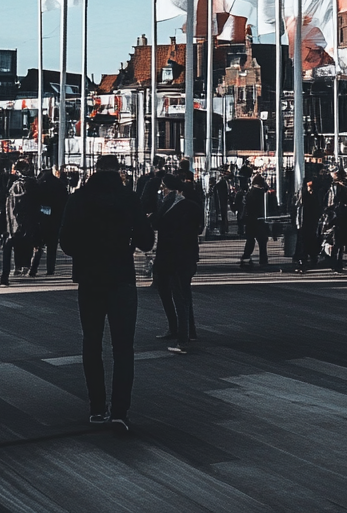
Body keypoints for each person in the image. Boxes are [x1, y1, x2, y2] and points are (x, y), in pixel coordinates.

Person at [59, 155, 154, 432]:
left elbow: (66, 241)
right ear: (118, 171)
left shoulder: (78, 198)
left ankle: (97, 407)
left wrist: (87, 250)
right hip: (121, 277)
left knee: (92, 342)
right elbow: (146, 241)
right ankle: (120, 411)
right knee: (123, 347)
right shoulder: (129, 198)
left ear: (95, 170)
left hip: (90, 278)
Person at [151, 174, 204, 354]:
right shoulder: (193, 206)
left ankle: (182, 336)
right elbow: (199, 228)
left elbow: (156, 223)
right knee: (184, 294)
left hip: (171, 257)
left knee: (176, 295)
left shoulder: (168, 207)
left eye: (164, 188)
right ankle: (188, 331)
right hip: (187, 255)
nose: (162, 191)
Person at [0, 161, 38, 286]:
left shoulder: (12, 185)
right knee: (28, 245)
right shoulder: (32, 185)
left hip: (12, 222)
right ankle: (26, 266)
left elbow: (9, 205)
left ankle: (5, 275)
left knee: (8, 247)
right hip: (26, 222)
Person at [30, 166, 68, 277]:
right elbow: (64, 201)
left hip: (40, 219)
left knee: (38, 245)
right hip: (55, 219)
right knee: (52, 246)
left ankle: (33, 268)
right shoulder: (59, 185)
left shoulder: (38, 185)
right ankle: (50, 269)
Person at [320, 169, 347, 273]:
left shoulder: (334, 187)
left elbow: (329, 202)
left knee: (334, 240)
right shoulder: (346, 187)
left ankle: (334, 260)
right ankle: (337, 261)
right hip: (342, 216)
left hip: (335, 216)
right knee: (338, 241)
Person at [240, 173, 271, 267]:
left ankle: (246, 257)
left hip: (250, 220)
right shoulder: (262, 194)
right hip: (260, 220)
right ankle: (263, 260)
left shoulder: (250, 193)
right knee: (262, 241)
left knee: (250, 240)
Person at [292, 178, 321, 272]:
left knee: (307, 241)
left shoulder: (312, 196)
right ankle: (304, 260)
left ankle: (307, 259)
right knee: (304, 241)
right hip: (304, 222)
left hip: (308, 221)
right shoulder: (303, 196)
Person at [213, 168, 233, 237]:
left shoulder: (223, 182)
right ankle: (224, 229)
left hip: (223, 200)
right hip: (223, 200)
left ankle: (224, 229)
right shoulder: (224, 182)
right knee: (223, 215)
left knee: (223, 215)